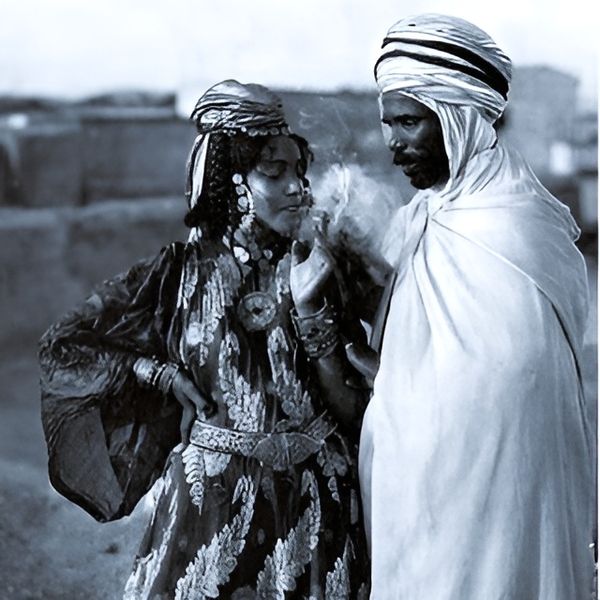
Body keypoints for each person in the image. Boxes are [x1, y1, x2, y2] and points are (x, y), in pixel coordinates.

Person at [39, 80, 370, 599]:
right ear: (234, 182)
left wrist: (312, 309)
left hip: (317, 502)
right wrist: (159, 373)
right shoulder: (178, 274)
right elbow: (63, 346)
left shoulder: (324, 264)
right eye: (274, 172)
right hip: (213, 505)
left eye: (299, 172)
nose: (296, 188)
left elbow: (355, 410)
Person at [356, 13, 595, 599]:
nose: (392, 144)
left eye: (408, 122)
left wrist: (396, 393)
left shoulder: (512, 228)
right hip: (419, 500)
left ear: (458, 117)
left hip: (494, 496)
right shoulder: (418, 219)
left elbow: (508, 387)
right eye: (387, 123)